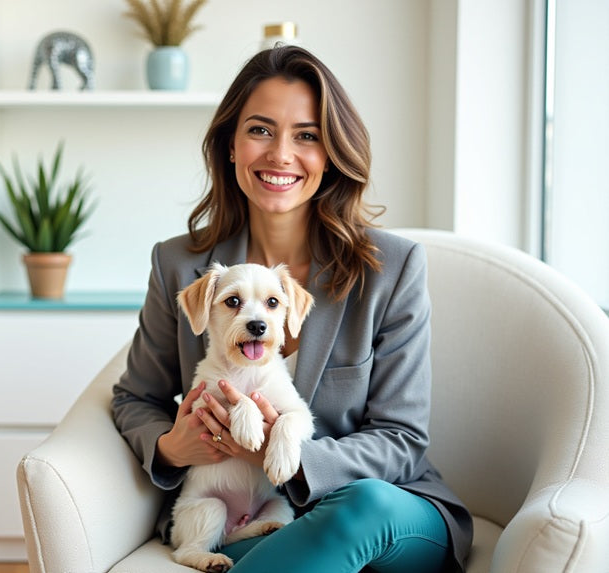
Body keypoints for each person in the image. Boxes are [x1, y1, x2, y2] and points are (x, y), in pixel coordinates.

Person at [111, 45, 473, 573]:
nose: (281, 154)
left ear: (330, 153)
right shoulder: (178, 264)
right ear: (230, 146)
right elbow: (134, 399)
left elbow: (403, 439)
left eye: (306, 135)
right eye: (259, 130)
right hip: (253, 523)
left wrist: (291, 458)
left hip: (382, 513)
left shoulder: (391, 268)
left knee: (364, 504)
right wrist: (172, 445)